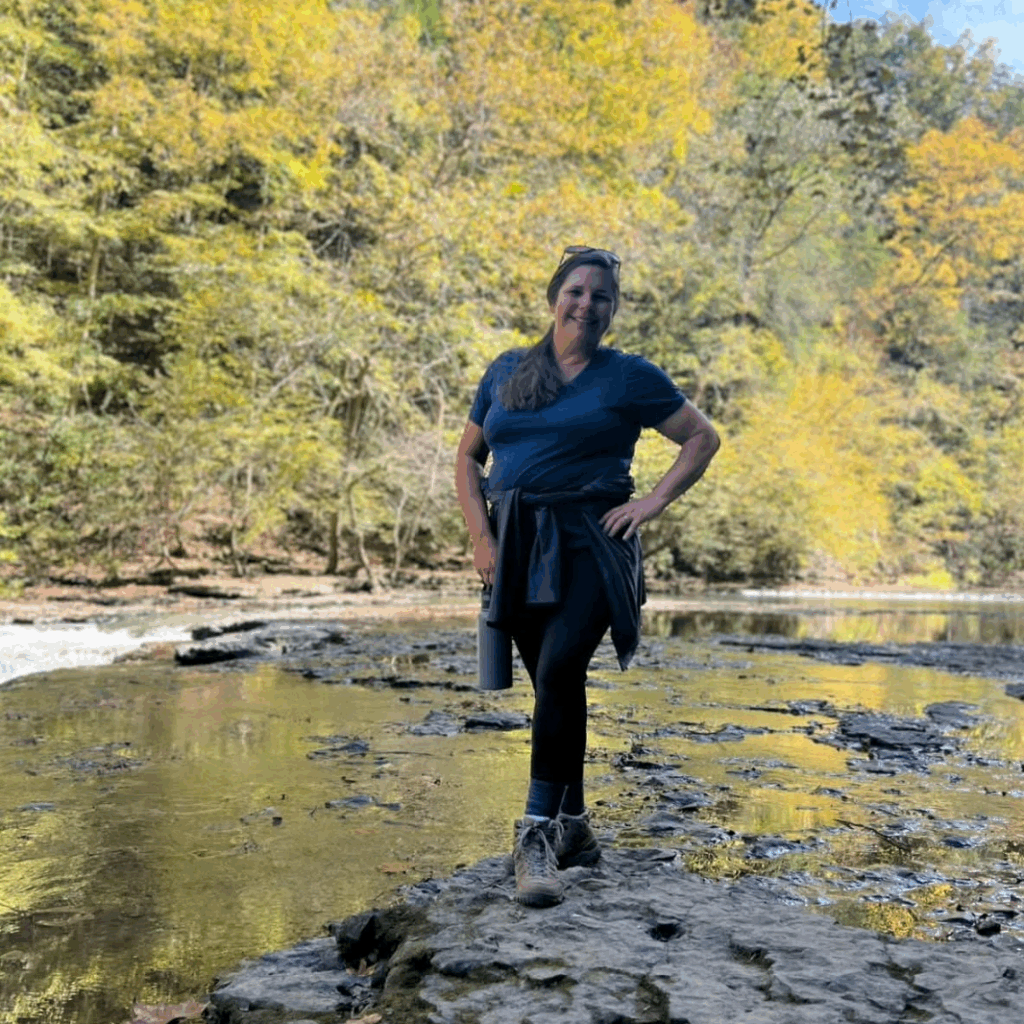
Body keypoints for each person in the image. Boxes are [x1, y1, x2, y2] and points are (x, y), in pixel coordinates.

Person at [454, 245, 720, 907]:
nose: (587, 304)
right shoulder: (505, 370)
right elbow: (467, 459)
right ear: (555, 298)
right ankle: (574, 826)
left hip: (594, 543)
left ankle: (534, 835)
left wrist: (651, 502)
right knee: (555, 687)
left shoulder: (629, 376)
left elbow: (701, 438)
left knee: (558, 672)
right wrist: (482, 538)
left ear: (612, 309)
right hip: (517, 544)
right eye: (577, 291)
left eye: (602, 296)